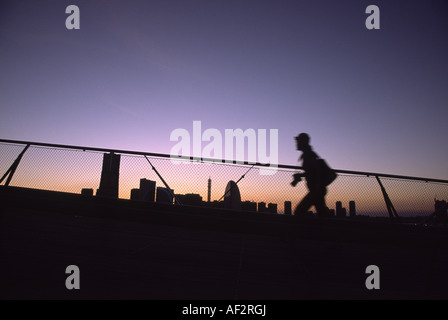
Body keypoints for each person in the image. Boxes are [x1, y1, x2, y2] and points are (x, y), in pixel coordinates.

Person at [291, 133, 329, 217]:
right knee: (323, 213)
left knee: (299, 212)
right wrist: (301, 175)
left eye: (298, 141)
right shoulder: (308, 154)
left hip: (316, 190)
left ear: (303, 142)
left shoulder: (308, 155)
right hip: (317, 189)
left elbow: (316, 171)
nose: (296, 143)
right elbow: (312, 171)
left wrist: (317, 187)